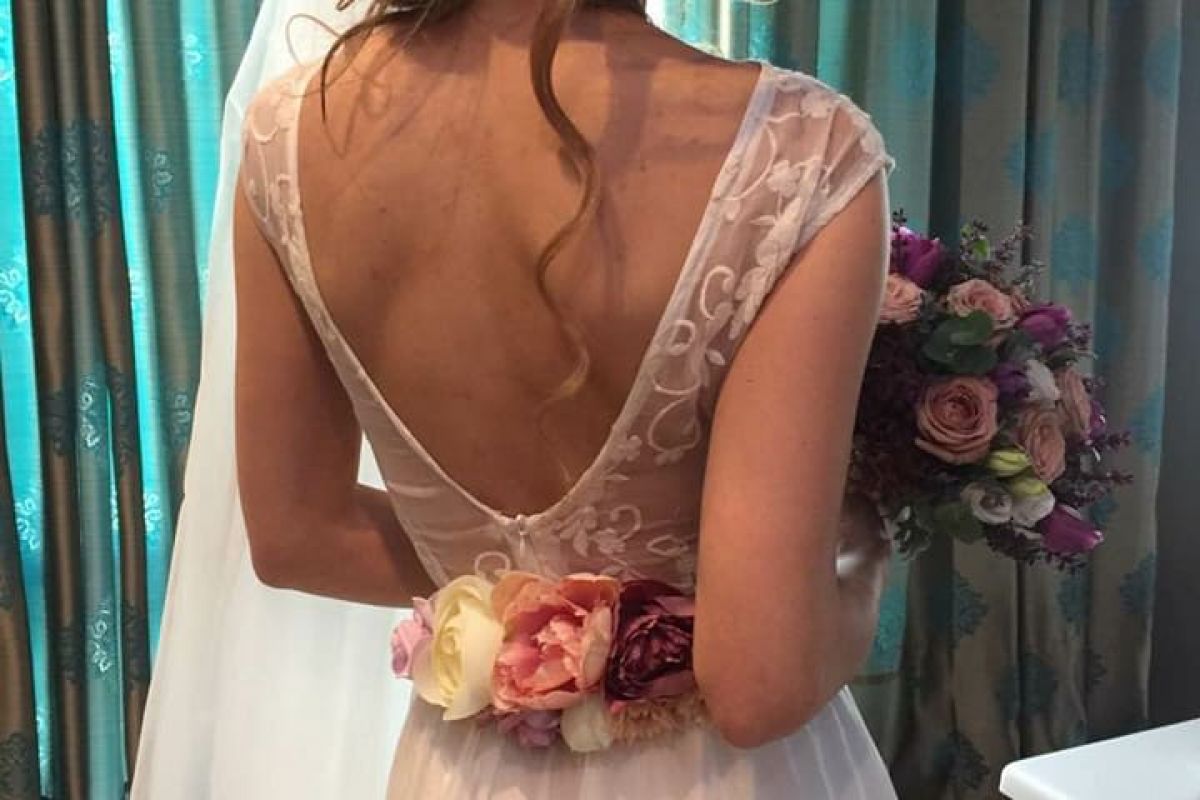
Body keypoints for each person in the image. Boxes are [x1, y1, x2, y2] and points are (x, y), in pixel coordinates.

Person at [132, 1, 898, 797]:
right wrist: (865, 555)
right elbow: (758, 684)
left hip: (466, 768)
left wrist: (528, 605)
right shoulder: (804, 150)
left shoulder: (289, 134)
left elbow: (301, 536)